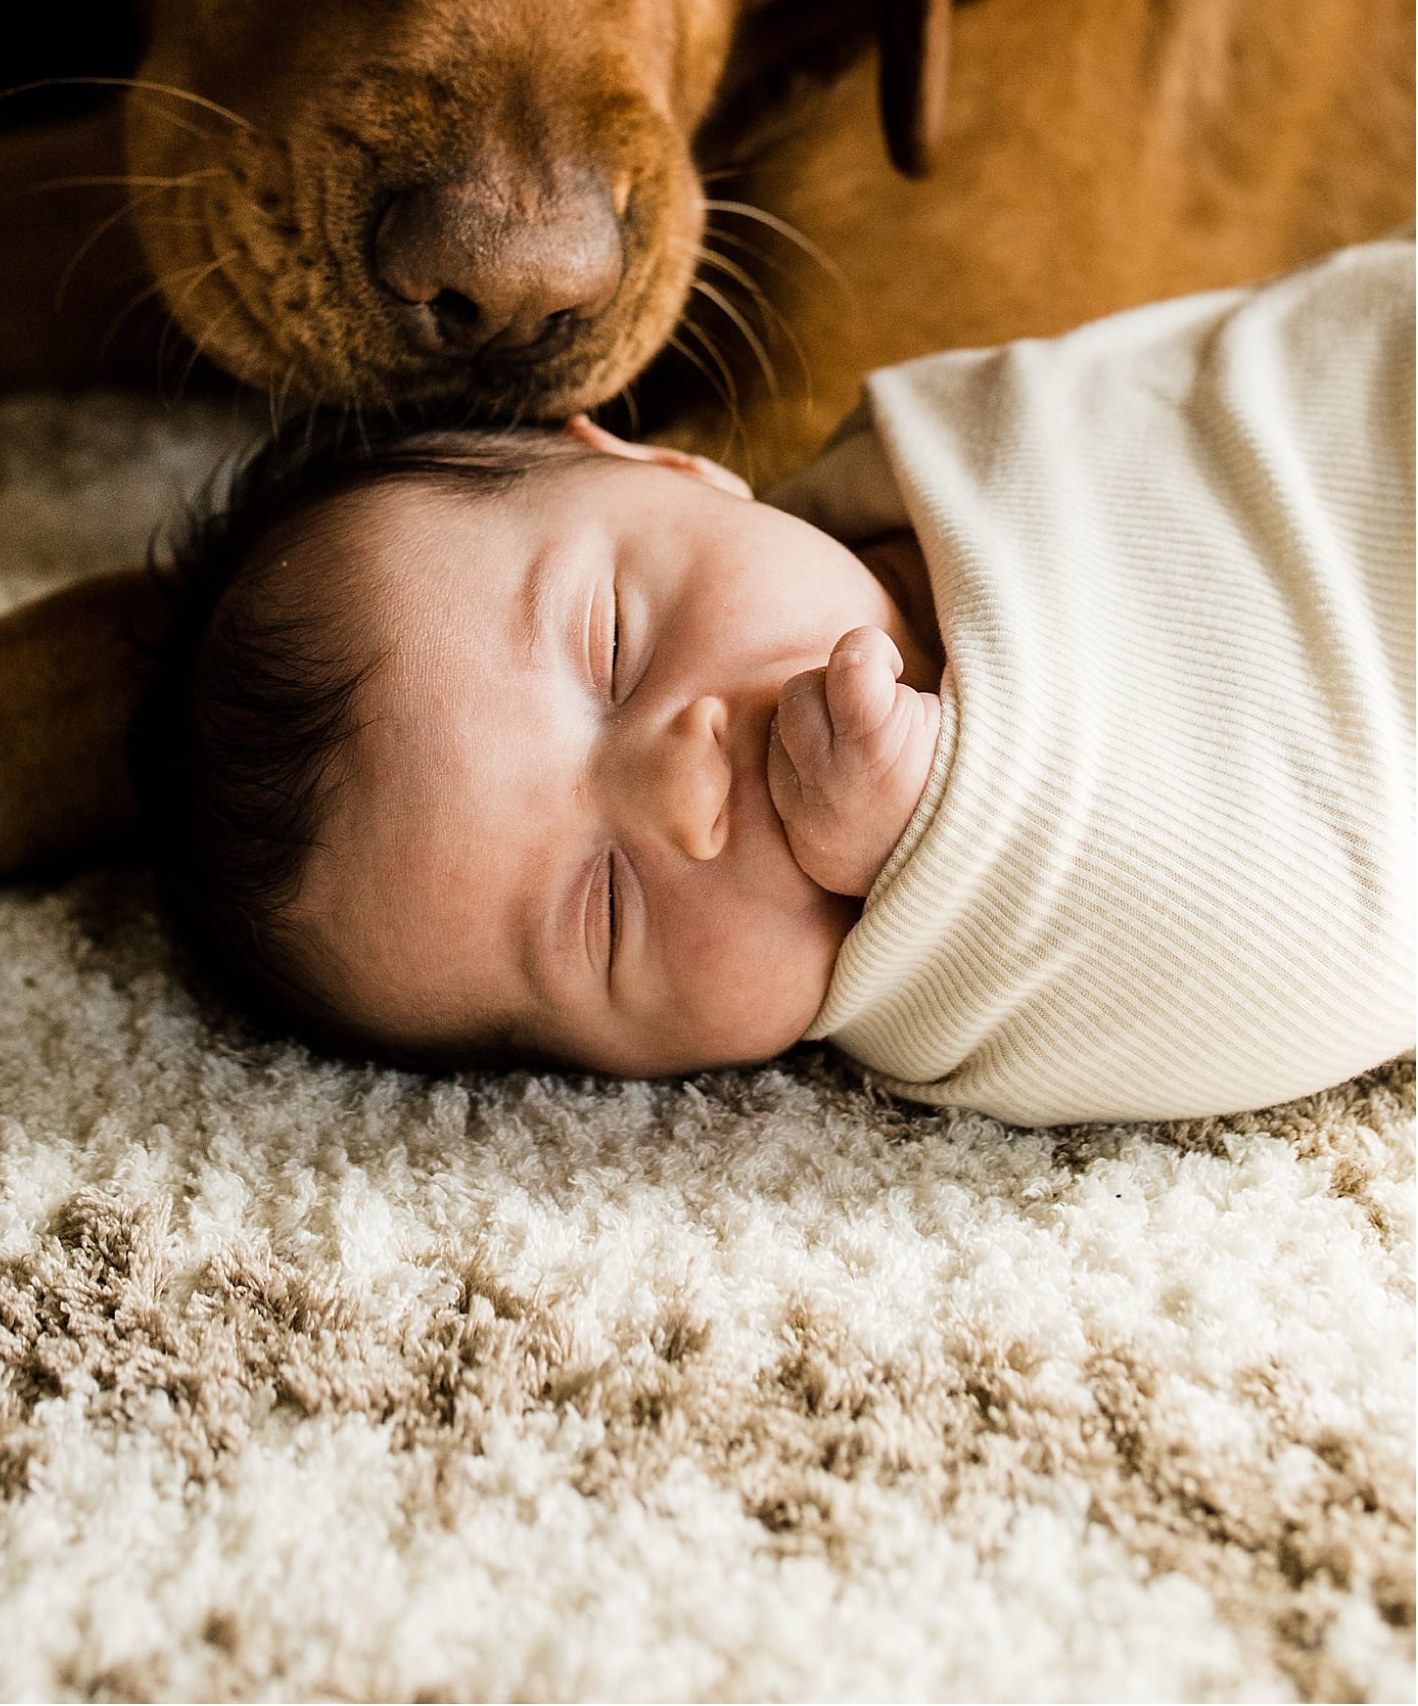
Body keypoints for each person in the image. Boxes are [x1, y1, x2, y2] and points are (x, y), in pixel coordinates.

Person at [129, 242, 1415, 1125]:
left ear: (669, 469)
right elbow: (1333, 949)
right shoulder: (970, 997)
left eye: (611, 646)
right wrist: (951, 834)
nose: (686, 787)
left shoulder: (944, 443)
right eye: (607, 913)